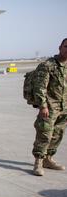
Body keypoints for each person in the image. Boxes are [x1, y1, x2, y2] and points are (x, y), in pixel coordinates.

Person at [32, 38, 67, 176]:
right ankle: (38, 162)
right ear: (60, 47)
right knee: (44, 134)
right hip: (49, 107)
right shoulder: (47, 65)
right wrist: (43, 106)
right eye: (66, 46)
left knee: (57, 134)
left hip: (64, 107)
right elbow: (40, 87)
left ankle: (48, 159)